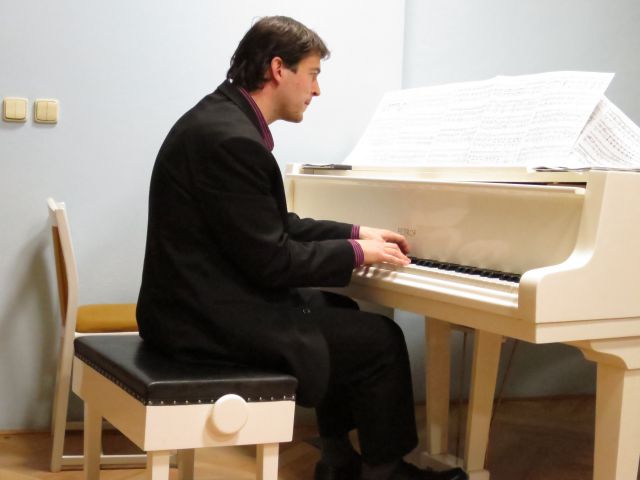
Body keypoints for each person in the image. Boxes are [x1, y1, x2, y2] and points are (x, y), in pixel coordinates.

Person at [137, 15, 468, 480]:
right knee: (381, 340)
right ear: (278, 69)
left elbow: (276, 226)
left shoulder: (221, 120)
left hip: (196, 302)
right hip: (202, 322)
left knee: (337, 306)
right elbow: (273, 260)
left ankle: (337, 459)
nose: (317, 90)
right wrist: (358, 255)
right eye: (312, 74)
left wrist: (357, 234)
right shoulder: (231, 140)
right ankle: (385, 471)